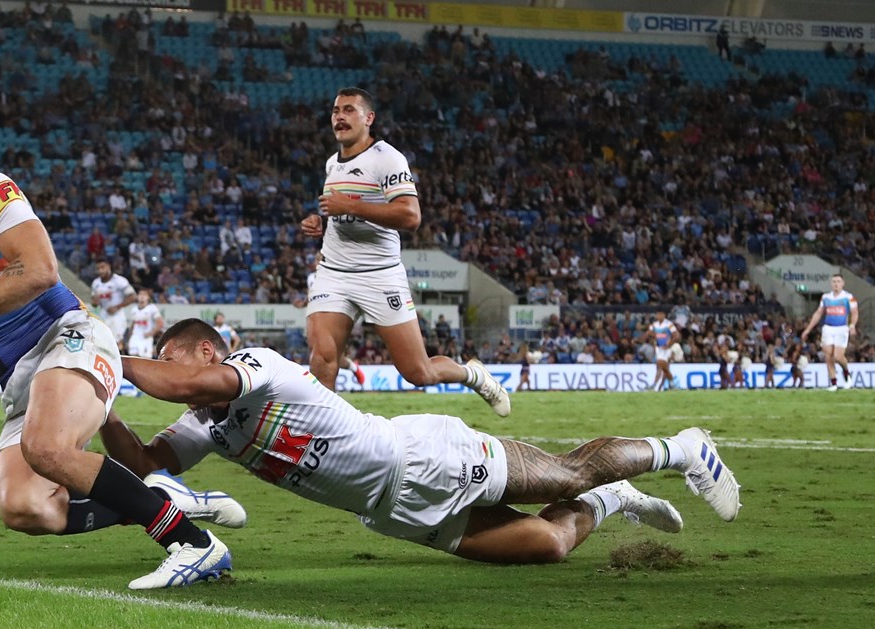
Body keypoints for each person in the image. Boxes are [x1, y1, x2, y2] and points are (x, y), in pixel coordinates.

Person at [0, 105, 239, 590]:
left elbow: (39, 270)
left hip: (67, 337)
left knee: (46, 448)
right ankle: (154, 496)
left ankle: (194, 545)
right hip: (18, 379)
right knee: (27, 508)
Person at [105, 320, 744, 565]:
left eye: (175, 359)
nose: (176, 377)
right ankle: (615, 500)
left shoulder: (253, 365)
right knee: (548, 544)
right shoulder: (204, 423)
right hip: (392, 511)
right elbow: (145, 464)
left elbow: (186, 381)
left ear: (209, 349)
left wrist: (112, 356)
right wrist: (100, 398)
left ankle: (683, 448)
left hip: (424, 456)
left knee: (570, 474)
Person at [299, 88, 509, 415]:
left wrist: (350, 204)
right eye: (336, 110)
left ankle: (473, 374)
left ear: (368, 118)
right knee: (323, 357)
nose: (339, 116)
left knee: (417, 372)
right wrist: (323, 224)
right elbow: (342, 216)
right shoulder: (332, 164)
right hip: (334, 274)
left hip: (379, 275)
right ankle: (321, 444)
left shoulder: (388, 158)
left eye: (349, 110)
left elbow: (410, 216)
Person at [800, 274, 858, 391]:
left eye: (838, 281)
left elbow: (855, 312)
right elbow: (818, 313)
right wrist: (808, 329)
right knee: (828, 356)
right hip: (828, 328)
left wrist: (852, 324)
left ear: (843, 283)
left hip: (842, 328)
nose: (836, 284)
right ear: (831, 284)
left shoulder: (848, 297)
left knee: (838, 356)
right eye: (834, 282)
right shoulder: (826, 297)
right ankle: (833, 383)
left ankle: (846, 373)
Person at [89, 260, 134, 350]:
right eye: (98, 268)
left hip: (117, 316)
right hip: (103, 315)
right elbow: (94, 303)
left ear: (108, 267)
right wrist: (95, 303)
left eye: (102, 267)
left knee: (117, 343)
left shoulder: (119, 280)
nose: (100, 271)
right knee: (103, 343)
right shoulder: (95, 283)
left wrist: (117, 307)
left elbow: (132, 296)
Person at [125, 290, 163, 359]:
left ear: (148, 297)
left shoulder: (152, 308)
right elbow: (133, 324)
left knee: (145, 359)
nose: (142, 296)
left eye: (144, 295)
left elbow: (160, 323)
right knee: (132, 358)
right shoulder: (134, 309)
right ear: (137, 297)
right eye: (140, 294)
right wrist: (130, 338)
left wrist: (151, 333)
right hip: (135, 337)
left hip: (146, 338)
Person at [647, 313, 681, 391]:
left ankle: (657, 385)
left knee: (662, 367)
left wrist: (669, 346)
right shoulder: (659, 330)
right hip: (661, 349)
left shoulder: (669, 328)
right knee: (663, 368)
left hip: (667, 349)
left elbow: (676, 337)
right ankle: (669, 385)